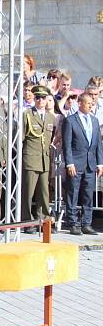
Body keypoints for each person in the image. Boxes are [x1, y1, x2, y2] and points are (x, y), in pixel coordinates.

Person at [62, 93, 103, 236]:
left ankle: (87, 223)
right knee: (73, 193)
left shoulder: (94, 120)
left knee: (88, 195)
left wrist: (100, 163)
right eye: (88, 103)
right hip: (76, 162)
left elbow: (98, 143)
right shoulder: (70, 121)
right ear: (80, 103)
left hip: (90, 163)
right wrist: (69, 163)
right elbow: (67, 145)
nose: (91, 106)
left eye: (92, 104)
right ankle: (72, 223)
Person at [20, 85, 56, 232]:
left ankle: (45, 221)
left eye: (43, 98)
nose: (40, 100)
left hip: (44, 159)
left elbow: (51, 138)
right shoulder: (27, 114)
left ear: (48, 99)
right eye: (38, 98)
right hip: (30, 158)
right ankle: (27, 221)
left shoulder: (50, 117)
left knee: (44, 192)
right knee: (28, 192)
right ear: (34, 99)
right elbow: (21, 138)